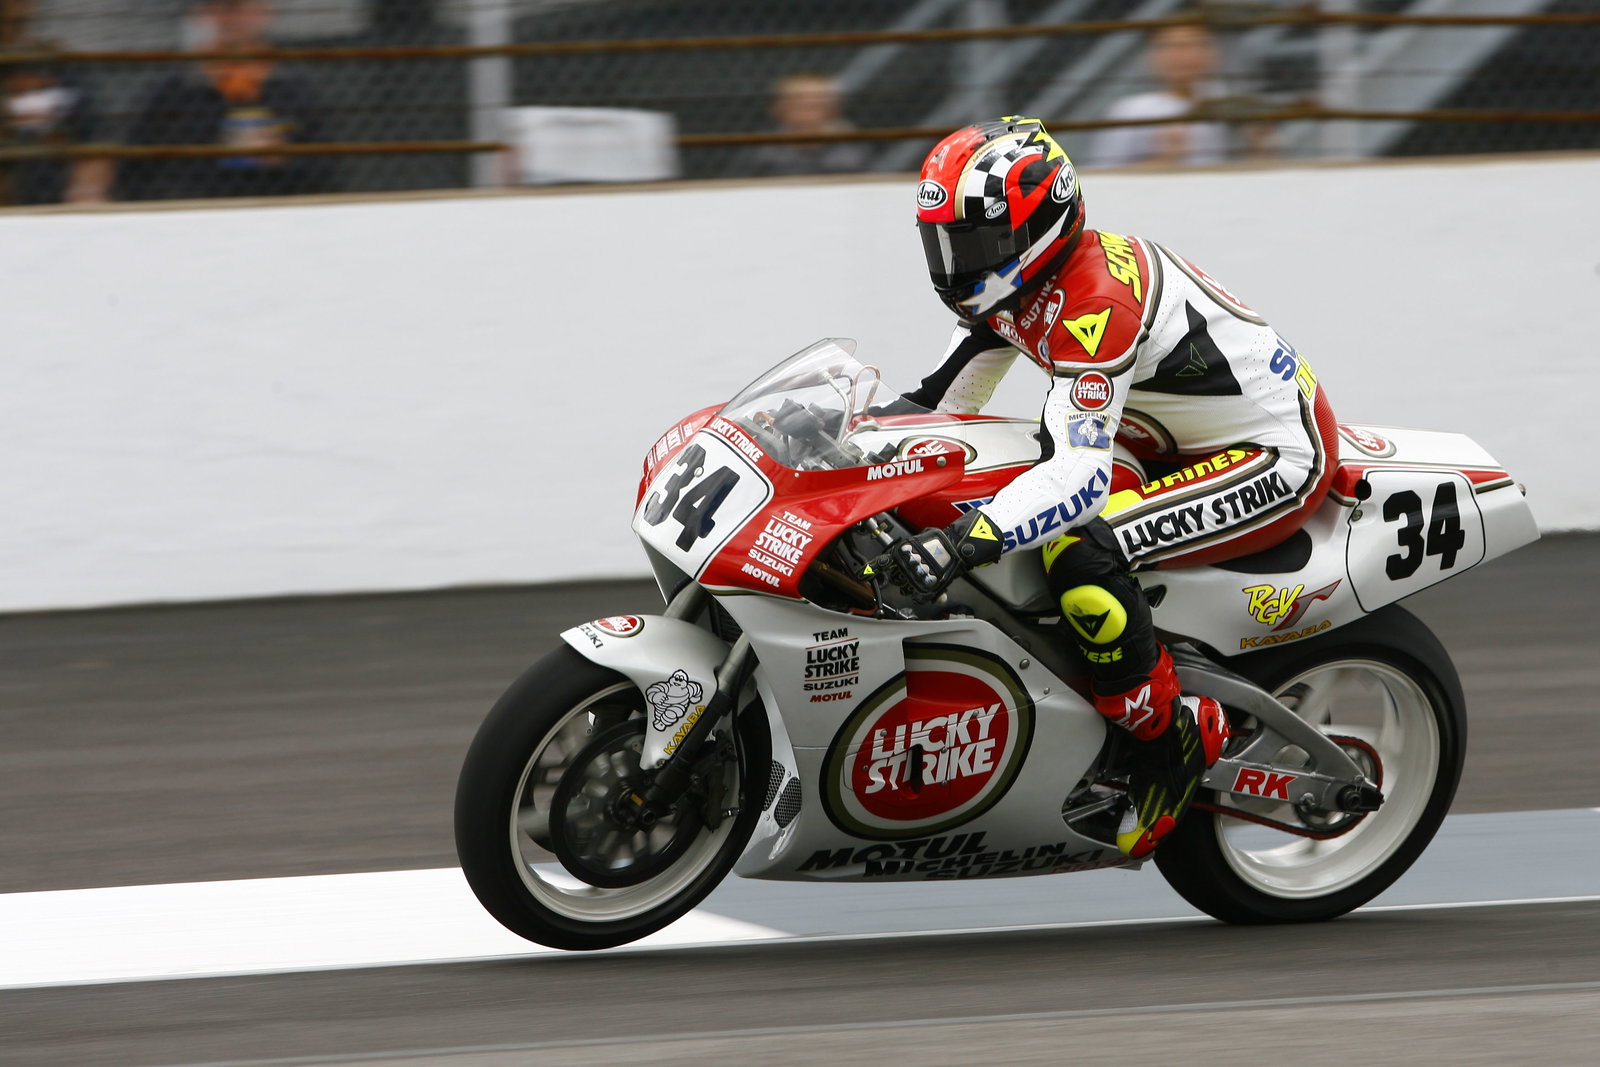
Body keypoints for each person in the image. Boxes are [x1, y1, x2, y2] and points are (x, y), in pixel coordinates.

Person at [866, 116, 1337, 859]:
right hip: (1155, 438)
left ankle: (1170, 737)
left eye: (975, 244)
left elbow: (1081, 476)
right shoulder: (1019, 286)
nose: (958, 262)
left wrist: (963, 542)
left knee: (1079, 553)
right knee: (963, 484)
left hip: (1265, 454)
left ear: (1038, 225)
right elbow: (938, 406)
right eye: (945, 242)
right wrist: (832, 443)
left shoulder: (1093, 302)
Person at [118, 0, 332, 201]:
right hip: (192, 214)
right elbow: (135, 166)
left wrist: (284, 159)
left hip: (272, 210)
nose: (232, 19)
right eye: (222, 9)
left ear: (265, 12)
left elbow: (326, 168)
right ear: (204, 15)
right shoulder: (174, 89)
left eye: (241, 9)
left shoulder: (293, 87)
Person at [1, 0, 109, 204]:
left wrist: (85, 194)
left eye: (17, 22)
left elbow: (95, 143)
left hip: (50, 201)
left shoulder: (56, 66)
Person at [1092, 23, 1229, 168]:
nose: (1183, 56)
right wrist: (1164, 158)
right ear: (1152, 57)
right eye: (1170, 47)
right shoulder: (1130, 111)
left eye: (1195, 45)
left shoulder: (1219, 98)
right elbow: (1103, 174)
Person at [736, 72, 870, 178]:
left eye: (815, 107)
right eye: (797, 107)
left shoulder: (850, 149)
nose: (806, 116)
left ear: (833, 110)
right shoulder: (763, 150)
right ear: (778, 110)